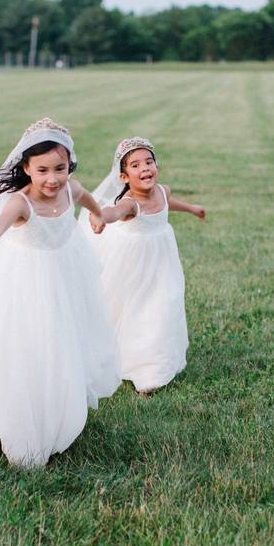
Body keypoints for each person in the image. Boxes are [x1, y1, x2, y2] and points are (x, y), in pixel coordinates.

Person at [0, 118, 121, 468]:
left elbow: (89, 201)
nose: (52, 178)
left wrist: (99, 216)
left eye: (60, 168)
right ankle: (20, 419)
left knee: (63, 341)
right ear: (26, 167)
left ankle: (60, 408)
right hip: (26, 284)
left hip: (65, 275)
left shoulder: (70, 189)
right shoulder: (20, 203)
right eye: (42, 170)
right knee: (27, 346)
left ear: (69, 165)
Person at [82, 137, 205, 395]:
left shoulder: (162, 190)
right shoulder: (129, 203)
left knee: (164, 304)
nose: (145, 168)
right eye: (136, 165)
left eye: (149, 162)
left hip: (162, 260)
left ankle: (153, 367)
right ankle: (138, 367)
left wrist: (192, 208)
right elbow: (113, 213)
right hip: (134, 264)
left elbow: (168, 203)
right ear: (125, 177)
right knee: (135, 309)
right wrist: (100, 216)